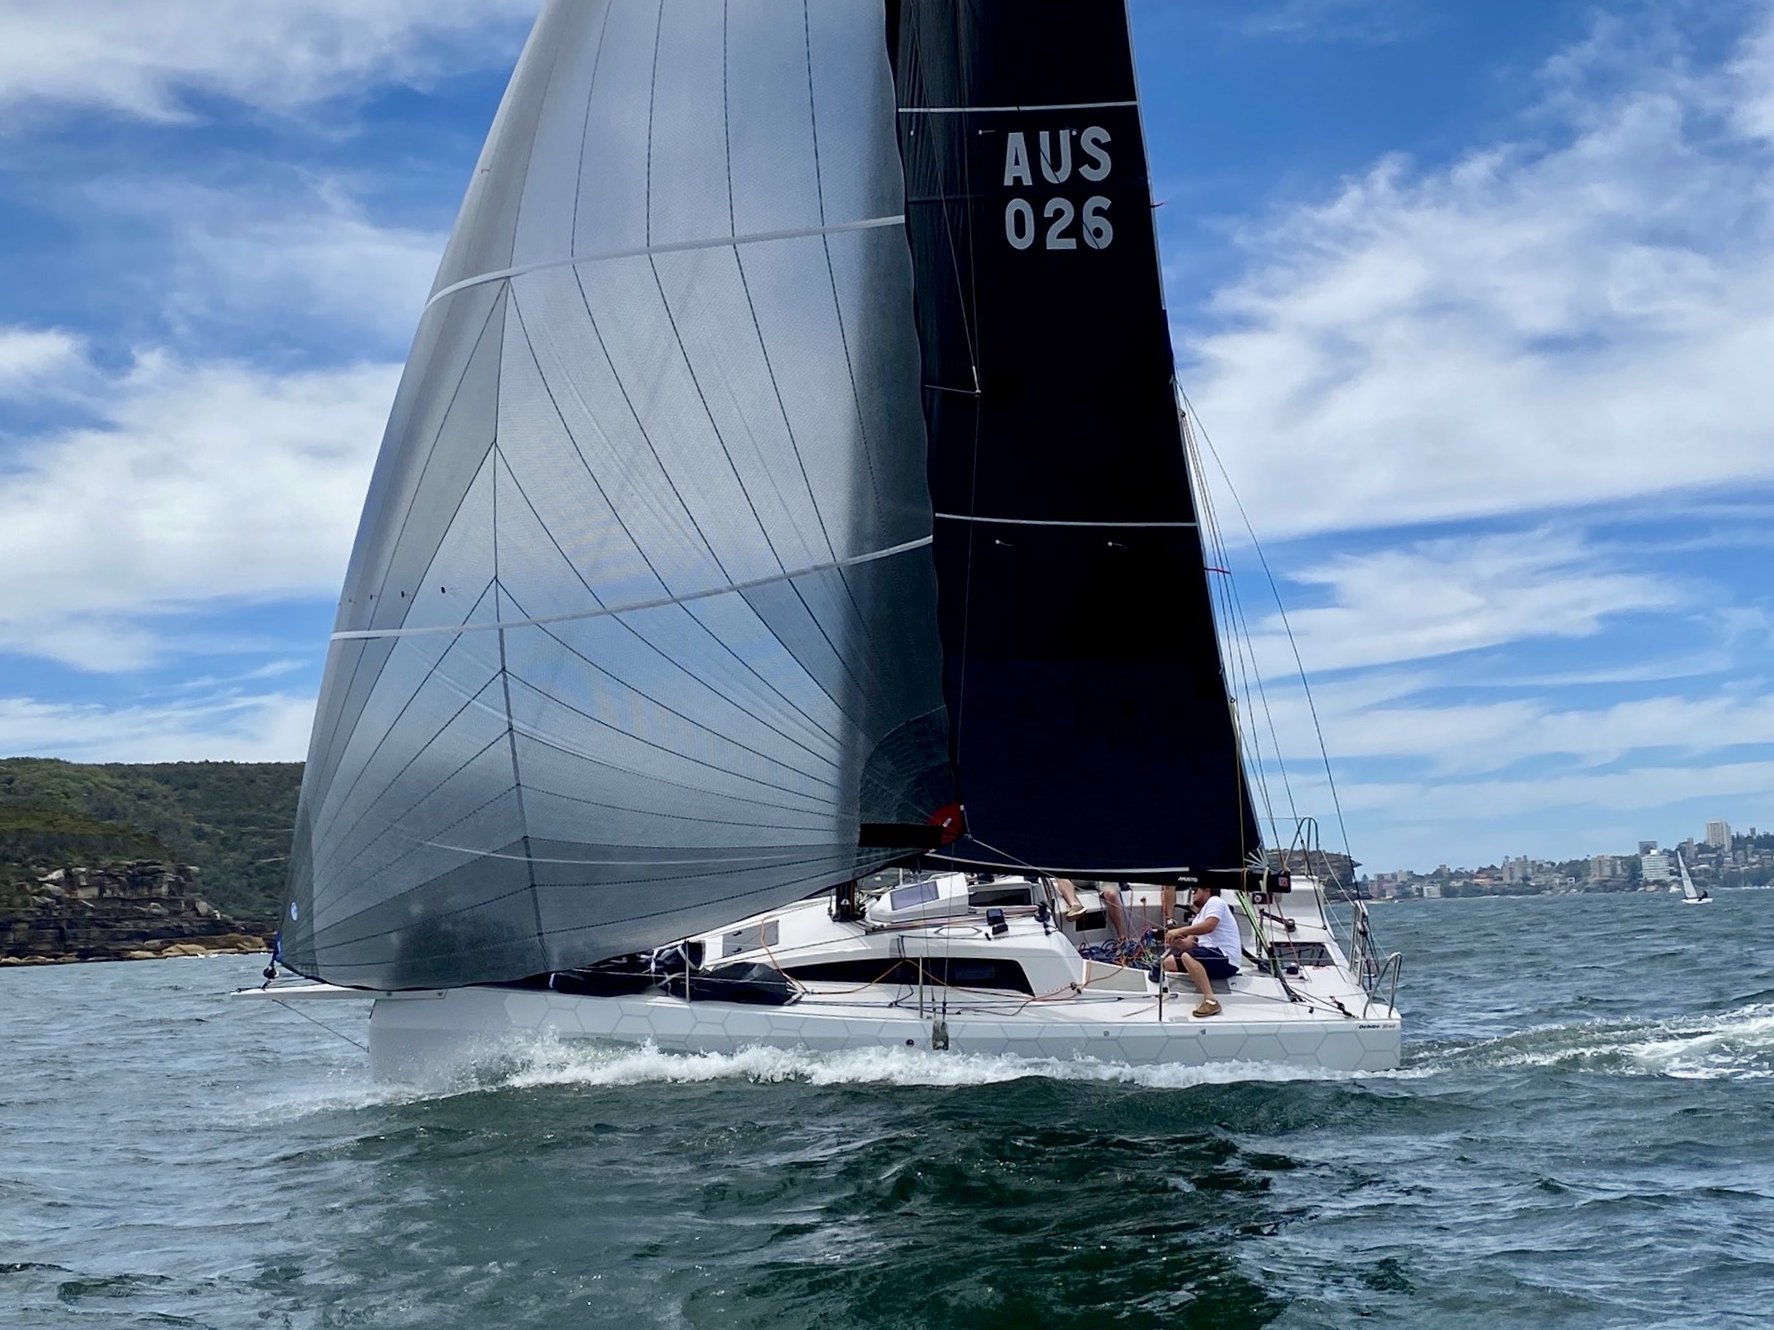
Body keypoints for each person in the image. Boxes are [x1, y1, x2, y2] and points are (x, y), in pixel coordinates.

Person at [1161, 882, 1242, 1017]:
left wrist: (1179, 930)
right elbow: (1189, 944)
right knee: (1168, 962)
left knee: (1188, 956)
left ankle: (1210, 1000)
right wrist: (1177, 942)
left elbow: (1209, 926)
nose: (1193, 893)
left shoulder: (1215, 902)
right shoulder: (1198, 917)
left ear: (1208, 890)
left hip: (1226, 958)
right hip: (1211, 956)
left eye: (1195, 890)